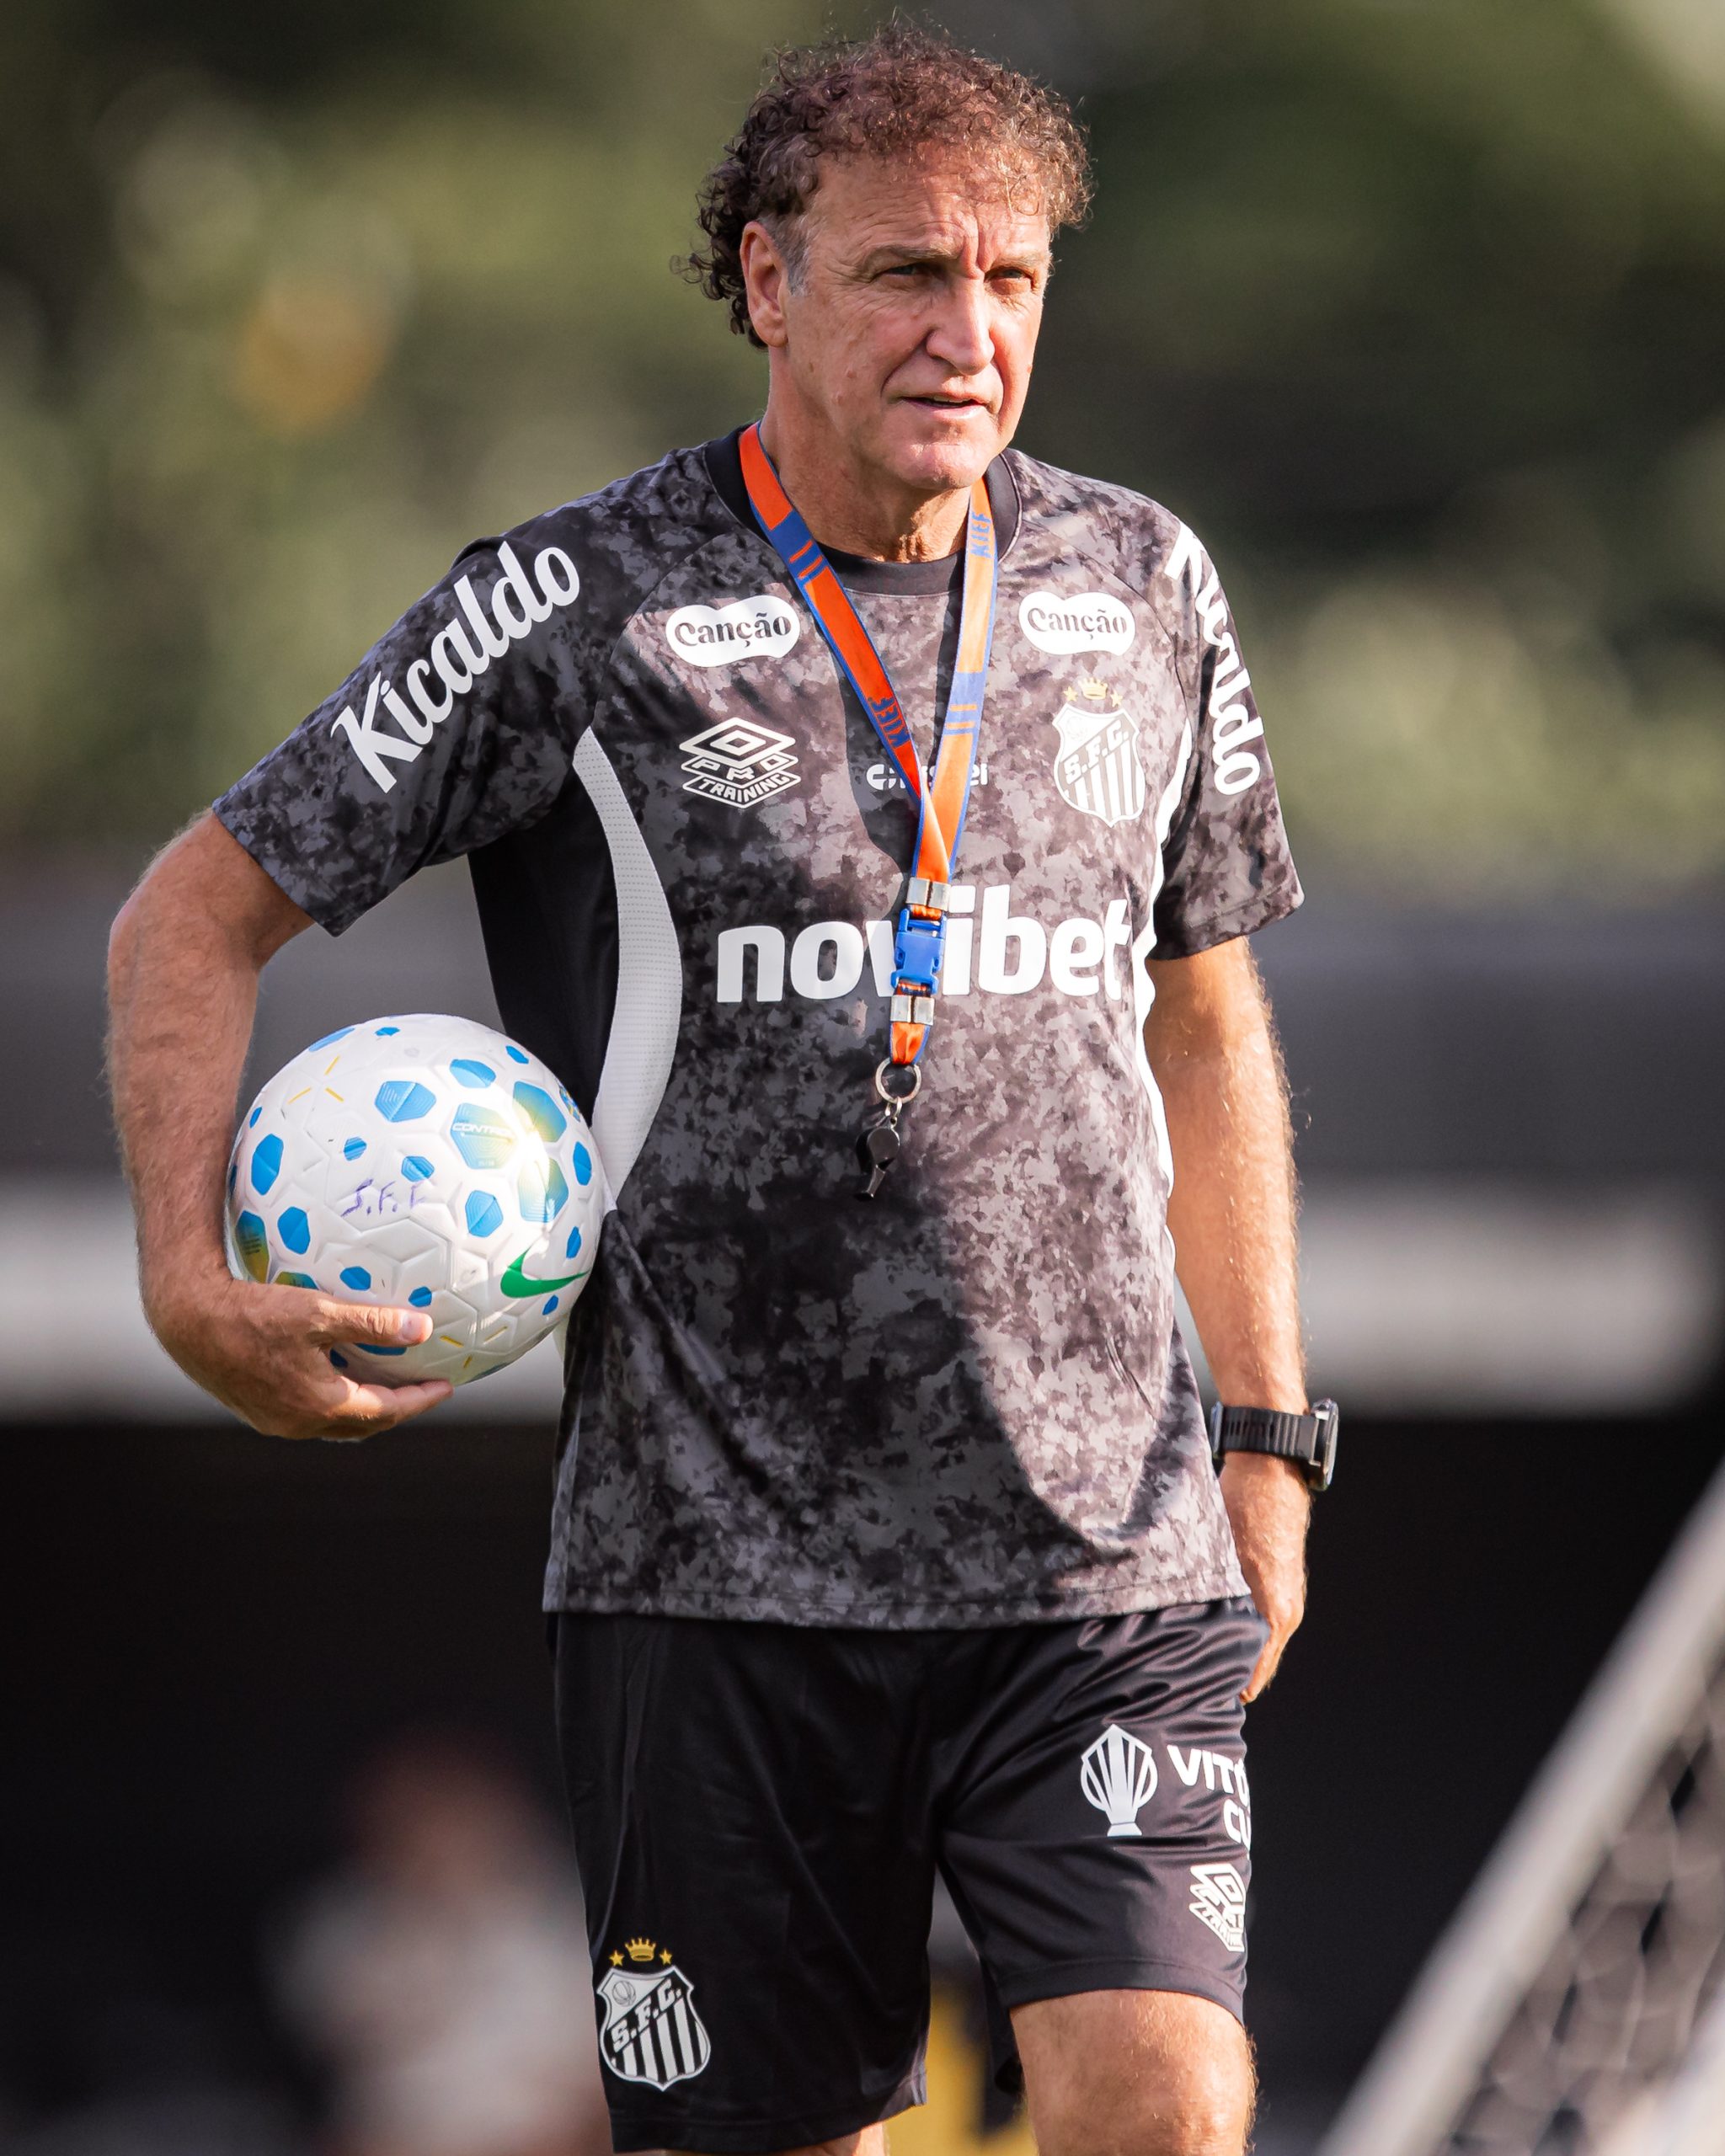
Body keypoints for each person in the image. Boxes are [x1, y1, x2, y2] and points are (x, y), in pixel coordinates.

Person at [108, 27, 1323, 2156]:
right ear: (769, 279)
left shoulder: (1144, 583)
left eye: (1011, 279)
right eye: (904, 273)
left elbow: (1205, 1022)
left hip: (1099, 1563)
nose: (966, 332)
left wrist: (1270, 1437)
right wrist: (188, 1278)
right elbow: (190, 916)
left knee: (1164, 2097)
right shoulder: (572, 605)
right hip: (712, 1574)